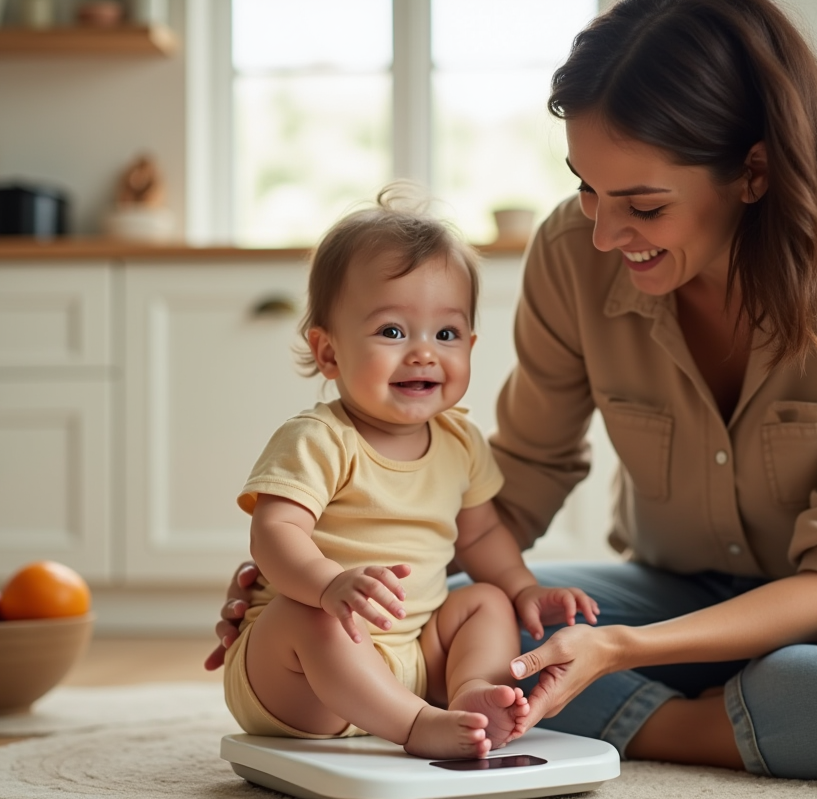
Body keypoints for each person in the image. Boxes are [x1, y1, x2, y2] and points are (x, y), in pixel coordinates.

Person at [209, 0, 817, 783]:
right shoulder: (573, 250)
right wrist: (320, 581)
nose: (603, 233)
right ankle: (787, 712)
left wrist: (628, 655)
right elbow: (517, 479)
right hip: (684, 586)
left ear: (753, 170)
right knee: (455, 621)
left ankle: (667, 727)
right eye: (585, 187)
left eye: (642, 204)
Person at [220, 185, 598, 761]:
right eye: (392, 331)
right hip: (297, 680)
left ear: (470, 344)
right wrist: (327, 586)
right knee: (311, 619)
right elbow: (274, 533)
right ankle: (418, 725)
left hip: (408, 661)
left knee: (485, 600)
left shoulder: (460, 441)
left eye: (445, 334)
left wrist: (524, 588)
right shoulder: (320, 439)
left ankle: (471, 695)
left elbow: (482, 536)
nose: (423, 352)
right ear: (328, 353)